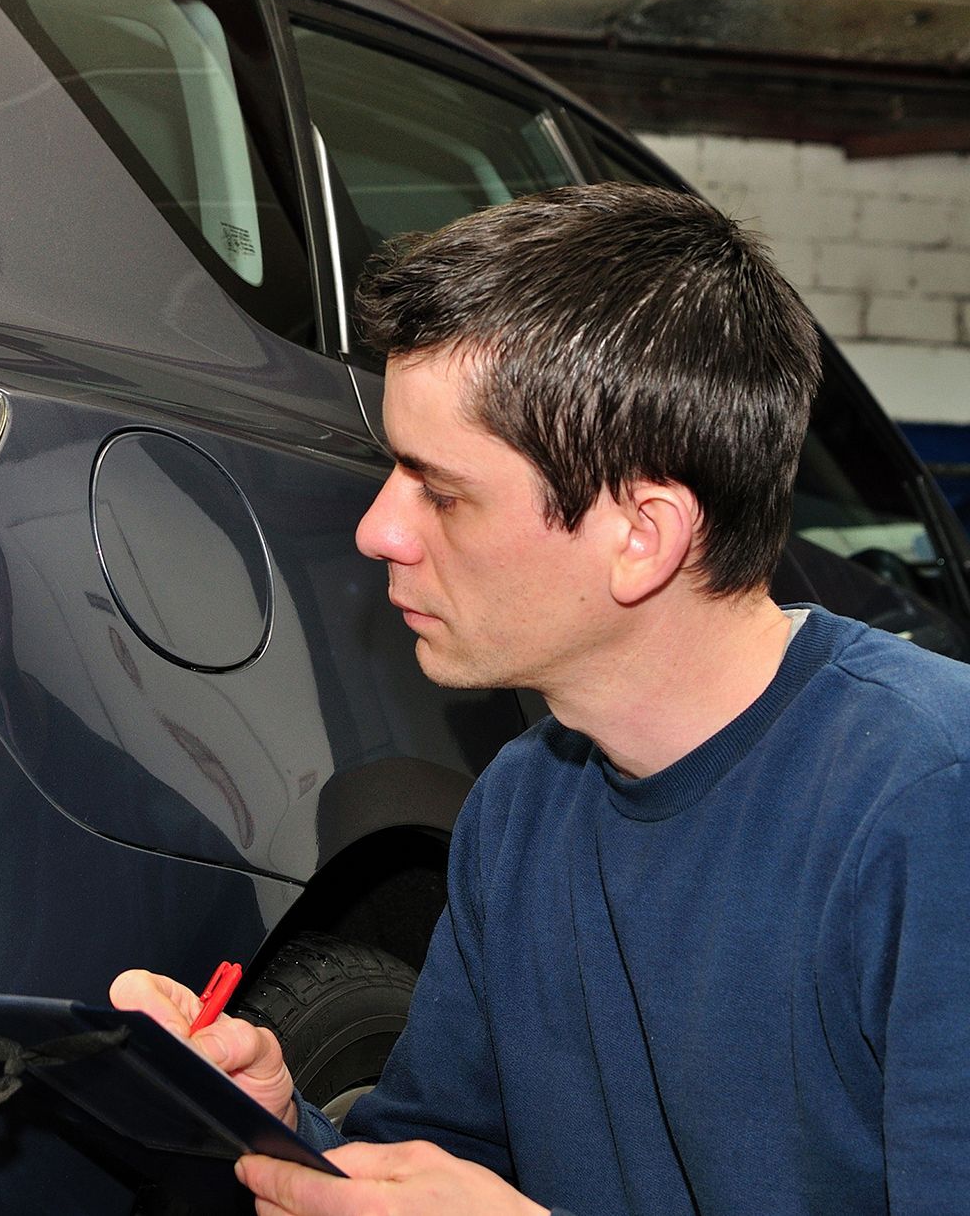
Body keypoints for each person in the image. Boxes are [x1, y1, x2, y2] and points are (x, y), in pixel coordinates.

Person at [112, 182, 970, 1216]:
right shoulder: (524, 803)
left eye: (442, 490)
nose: (380, 530)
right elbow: (439, 1164)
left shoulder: (932, 802)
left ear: (640, 536)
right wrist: (281, 1124)